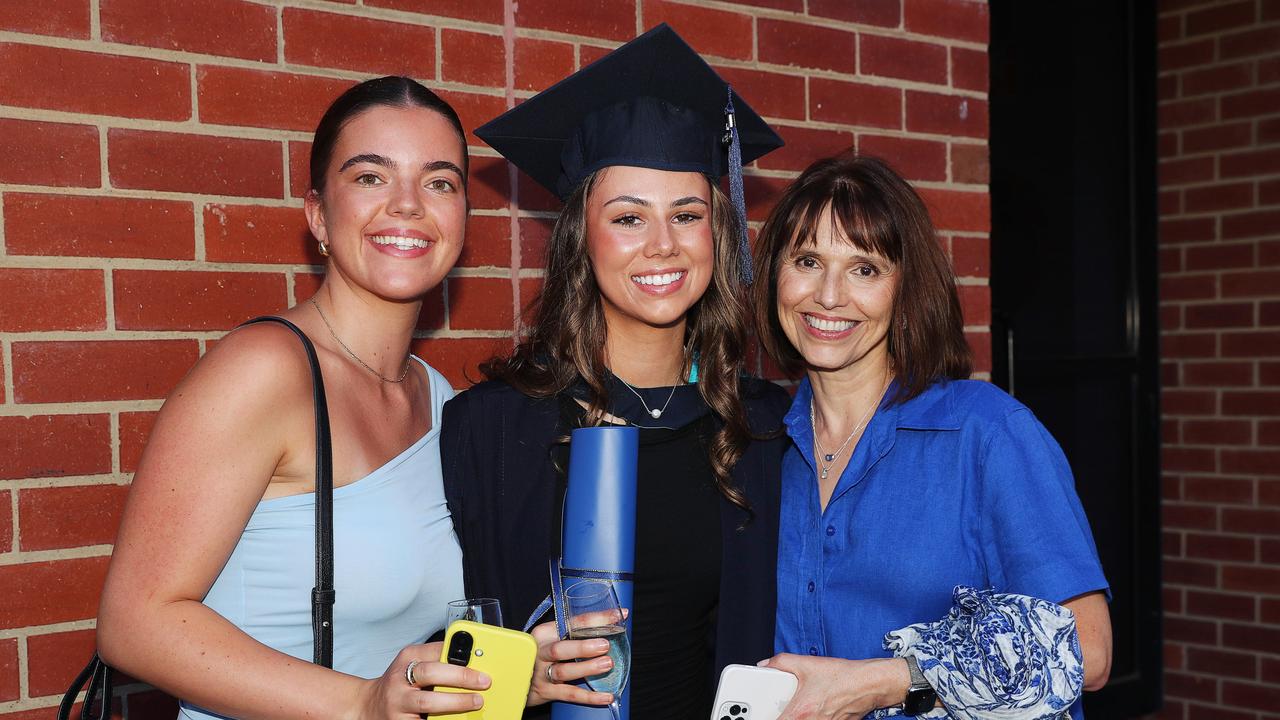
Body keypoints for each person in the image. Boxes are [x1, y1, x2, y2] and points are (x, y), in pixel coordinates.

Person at [96, 76, 492, 719]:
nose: (409, 205)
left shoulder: (437, 397)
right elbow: (133, 624)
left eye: (440, 181)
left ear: (462, 221)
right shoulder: (265, 371)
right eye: (370, 177)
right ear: (318, 216)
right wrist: (362, 704)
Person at [441, 24, 791, 718]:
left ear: (716, 234)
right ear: (581, 238)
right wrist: (514, 673)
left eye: (687, 215)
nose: (663, 245)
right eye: (628, 217)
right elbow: (435, 634)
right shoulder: (492, 426)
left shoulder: (763, 429)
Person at [751, 152, 1113, 720]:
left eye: (864, 269)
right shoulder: (757, 445)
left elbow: (1089, 653)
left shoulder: (987, 433)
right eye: (807, 260)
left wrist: (884, 680)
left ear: (905, 288)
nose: (828, 295)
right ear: (775, 273)